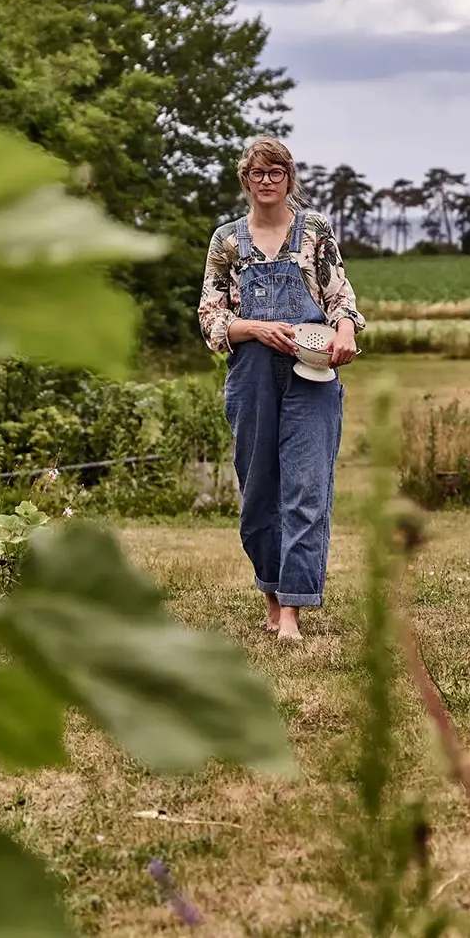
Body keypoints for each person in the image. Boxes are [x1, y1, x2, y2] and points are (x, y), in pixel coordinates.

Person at [198, 137, 365, 642]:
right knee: (258, 493)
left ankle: (292, 610)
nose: (266, 181)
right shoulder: (226, 241)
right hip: (251, 373)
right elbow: (211, 317)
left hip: (311, 373)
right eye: (257, 173)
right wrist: (255, 328)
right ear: (245, 180)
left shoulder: (315, 231)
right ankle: (270, 593)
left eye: (276, 173)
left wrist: (347, 333)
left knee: (306, 491)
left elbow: (340, 297)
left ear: (290, 179)